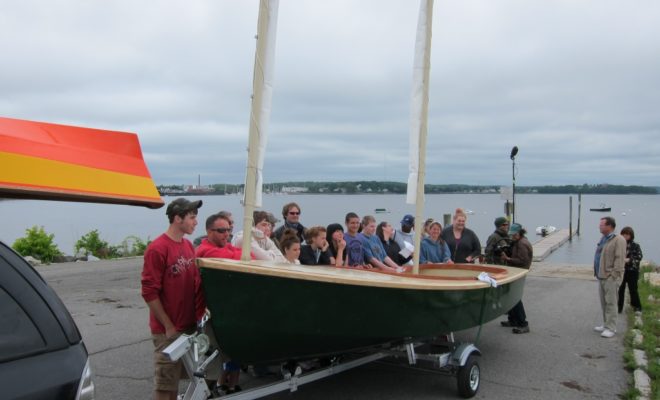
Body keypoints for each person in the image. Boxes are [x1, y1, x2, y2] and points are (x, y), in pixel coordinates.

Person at [141, 198, 206, 400]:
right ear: (178, 219)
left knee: (175, 383)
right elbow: (149, 292)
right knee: (165, 385)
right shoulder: (158, 248)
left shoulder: (187, 245)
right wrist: (168, 325)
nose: (196, 222)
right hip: (168, 330)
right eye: (192, 218)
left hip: (188, 326)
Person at [194, 212, 248, 394]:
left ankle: (216, 388)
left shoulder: (222, 248)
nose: (227, 234)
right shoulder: (206, 251)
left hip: (221, 312)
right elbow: (239, 256)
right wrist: (241, 254)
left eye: (229, 230)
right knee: (212, 358)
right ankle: (204, 393)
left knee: (222, 355)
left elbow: (240, 254)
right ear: (209, 232)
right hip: (207, 314)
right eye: (222, 231)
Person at [593, 216, 626, 338]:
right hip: (601, 275)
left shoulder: (619, 240)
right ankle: (606, 324)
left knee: (611, 302)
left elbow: (620, 259)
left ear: (610, 226)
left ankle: (611, 328)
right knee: (604, 302)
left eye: (602, 225)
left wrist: (613, 275)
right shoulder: (604, 238)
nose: (599, 226)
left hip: (610, 277)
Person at [499, 223, 533, 334]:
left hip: (519, 272)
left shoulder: (522, 244)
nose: (512, 236)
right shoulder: (520, 241)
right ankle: (513, 320)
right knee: (511, 296)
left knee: (516, 298)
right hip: (516, 272)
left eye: (514, 234)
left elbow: (522, 261)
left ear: (519, 233)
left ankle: (523, 323)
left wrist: (507, 258)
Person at [617, 226, 643, 314]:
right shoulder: (619, 244)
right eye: (623, 234)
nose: (625, 236)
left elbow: (639, 257)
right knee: (621, 289)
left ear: (631, 235)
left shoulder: (635, 245)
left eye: (627, 234)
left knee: (633, 289)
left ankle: (637, 306)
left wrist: (629, 260)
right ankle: (619, 307)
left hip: (632, 271)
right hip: (622, 270)